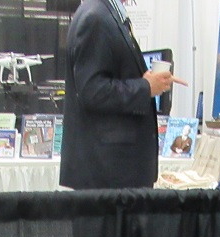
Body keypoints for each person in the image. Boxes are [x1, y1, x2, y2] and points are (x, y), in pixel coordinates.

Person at [59, 0, 181, 189]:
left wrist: (145, 80)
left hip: (115, 171)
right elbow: (92, 91)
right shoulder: (96, 19)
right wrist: (145, 87)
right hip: (109, 173)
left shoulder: (107, 15)